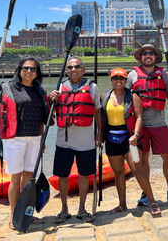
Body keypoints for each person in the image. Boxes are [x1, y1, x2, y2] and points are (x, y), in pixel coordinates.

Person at [0, 58, 48, 230]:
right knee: (15, 178)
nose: (29, 71)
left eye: (33, 69)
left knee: (29, 179)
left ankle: (27, 213)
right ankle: (13, 214)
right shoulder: (8, 88)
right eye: (25, 68)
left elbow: (42, 119)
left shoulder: (39, 90)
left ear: (37, 72)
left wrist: (41, 140)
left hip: (34, 138)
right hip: (14, 140)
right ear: (19, 70)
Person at [126, 44, 168, 206]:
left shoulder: (165, 75)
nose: (148, 55)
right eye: (144, 53)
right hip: (140, 126)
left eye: (151, 53)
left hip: (159, 123)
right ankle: (146, 193)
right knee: (143, 158)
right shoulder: (132, 75)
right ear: (140, 57)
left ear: (155, 57)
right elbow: (125, 100)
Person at [49, 57, 102, 223]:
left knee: (84, 175)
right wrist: (52, 98)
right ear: (67, 70)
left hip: (86, 141)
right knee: (62, 176)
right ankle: (64, 209)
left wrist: (99, 133)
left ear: (83, 69)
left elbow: (98, 112)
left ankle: (82, 209)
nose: (73, 69)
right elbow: (50, 111)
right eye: (70, 67)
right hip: (63, 141)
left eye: (77, 66)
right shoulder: (59, 87)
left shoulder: (93, 88)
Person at [101, 68, 161, 215]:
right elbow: (100, 116)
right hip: (111, 138)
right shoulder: (105, 96)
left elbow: (139, 117)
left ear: (126, 80)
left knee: (138, 171)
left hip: (129, 139)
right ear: (111, 80)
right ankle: (122, 204)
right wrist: (99, 136)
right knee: (118, 173)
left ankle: (152, 201)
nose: (118, 81)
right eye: (115, 78)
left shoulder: (133, 95)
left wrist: (135, 134)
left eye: (121, 78)